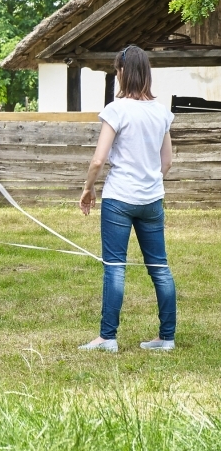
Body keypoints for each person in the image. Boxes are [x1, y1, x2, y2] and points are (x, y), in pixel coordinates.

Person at [78, 45, 177, 353]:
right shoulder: (161, 112)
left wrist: (88, 189)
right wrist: (149, 181)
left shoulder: (116, 109)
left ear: (122, 73)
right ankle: (167, 337)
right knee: (159, 268)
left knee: (115, 267)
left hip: (119, 198)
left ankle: (108, 337)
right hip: (151, 201)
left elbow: (98, 160)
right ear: (145, 73)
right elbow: (167, 162)